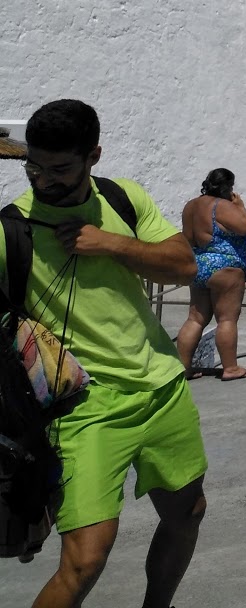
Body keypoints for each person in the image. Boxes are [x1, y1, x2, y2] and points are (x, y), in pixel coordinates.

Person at [8, 100, 208, 608]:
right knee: (85, 560)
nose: (43, 180)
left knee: (187, 513)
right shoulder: (12, 229)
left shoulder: (122, 199)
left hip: (162, 388)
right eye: (34, 165)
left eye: (60, 168)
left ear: (93, 156)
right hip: (84, 408)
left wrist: (111, 244)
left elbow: (183, 265)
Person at [175, 167, 246, 381]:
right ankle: (230, 368)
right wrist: (240, 206)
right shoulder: (222, 206)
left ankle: (183, 367)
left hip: (199, 265)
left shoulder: (190, 206)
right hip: (224, 268)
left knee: (195, 319)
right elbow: (245, 226)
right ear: (228, 186)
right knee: (227, 319)